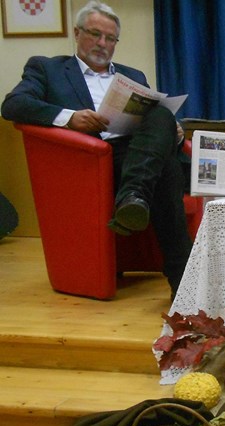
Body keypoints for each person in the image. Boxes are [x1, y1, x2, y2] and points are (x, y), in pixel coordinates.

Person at [2, 1, 192, 298]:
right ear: (77, 34)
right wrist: (69, 117)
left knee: (163, 119)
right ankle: (183, 286)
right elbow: (13, 105)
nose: (102, 44)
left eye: (110, 38)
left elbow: (153, 122)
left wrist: (173, 133)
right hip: (90, 161)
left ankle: (134, 197)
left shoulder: (133, 75)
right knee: (166, 170)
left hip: (138, 152)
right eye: (94, 34)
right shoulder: (46, 68)